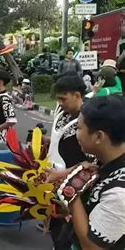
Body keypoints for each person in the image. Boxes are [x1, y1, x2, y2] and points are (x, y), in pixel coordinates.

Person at [50, 96, 125, 249]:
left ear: (99, 136)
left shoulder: (119, 194)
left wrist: (72, 195)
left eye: (78, 128)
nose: (76, 134)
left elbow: (92, 246)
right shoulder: (104, 160)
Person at [47, 75, 94, 250]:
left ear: (77, 95)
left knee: (68, 236)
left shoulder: (90, 121)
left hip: (76, 189)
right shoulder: (62, 114)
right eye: (58, 99)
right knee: (55, 228)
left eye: (63, 99)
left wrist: (61, 174)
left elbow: (92, 164)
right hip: (54, 183)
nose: (60, 103)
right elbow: (60, 141)